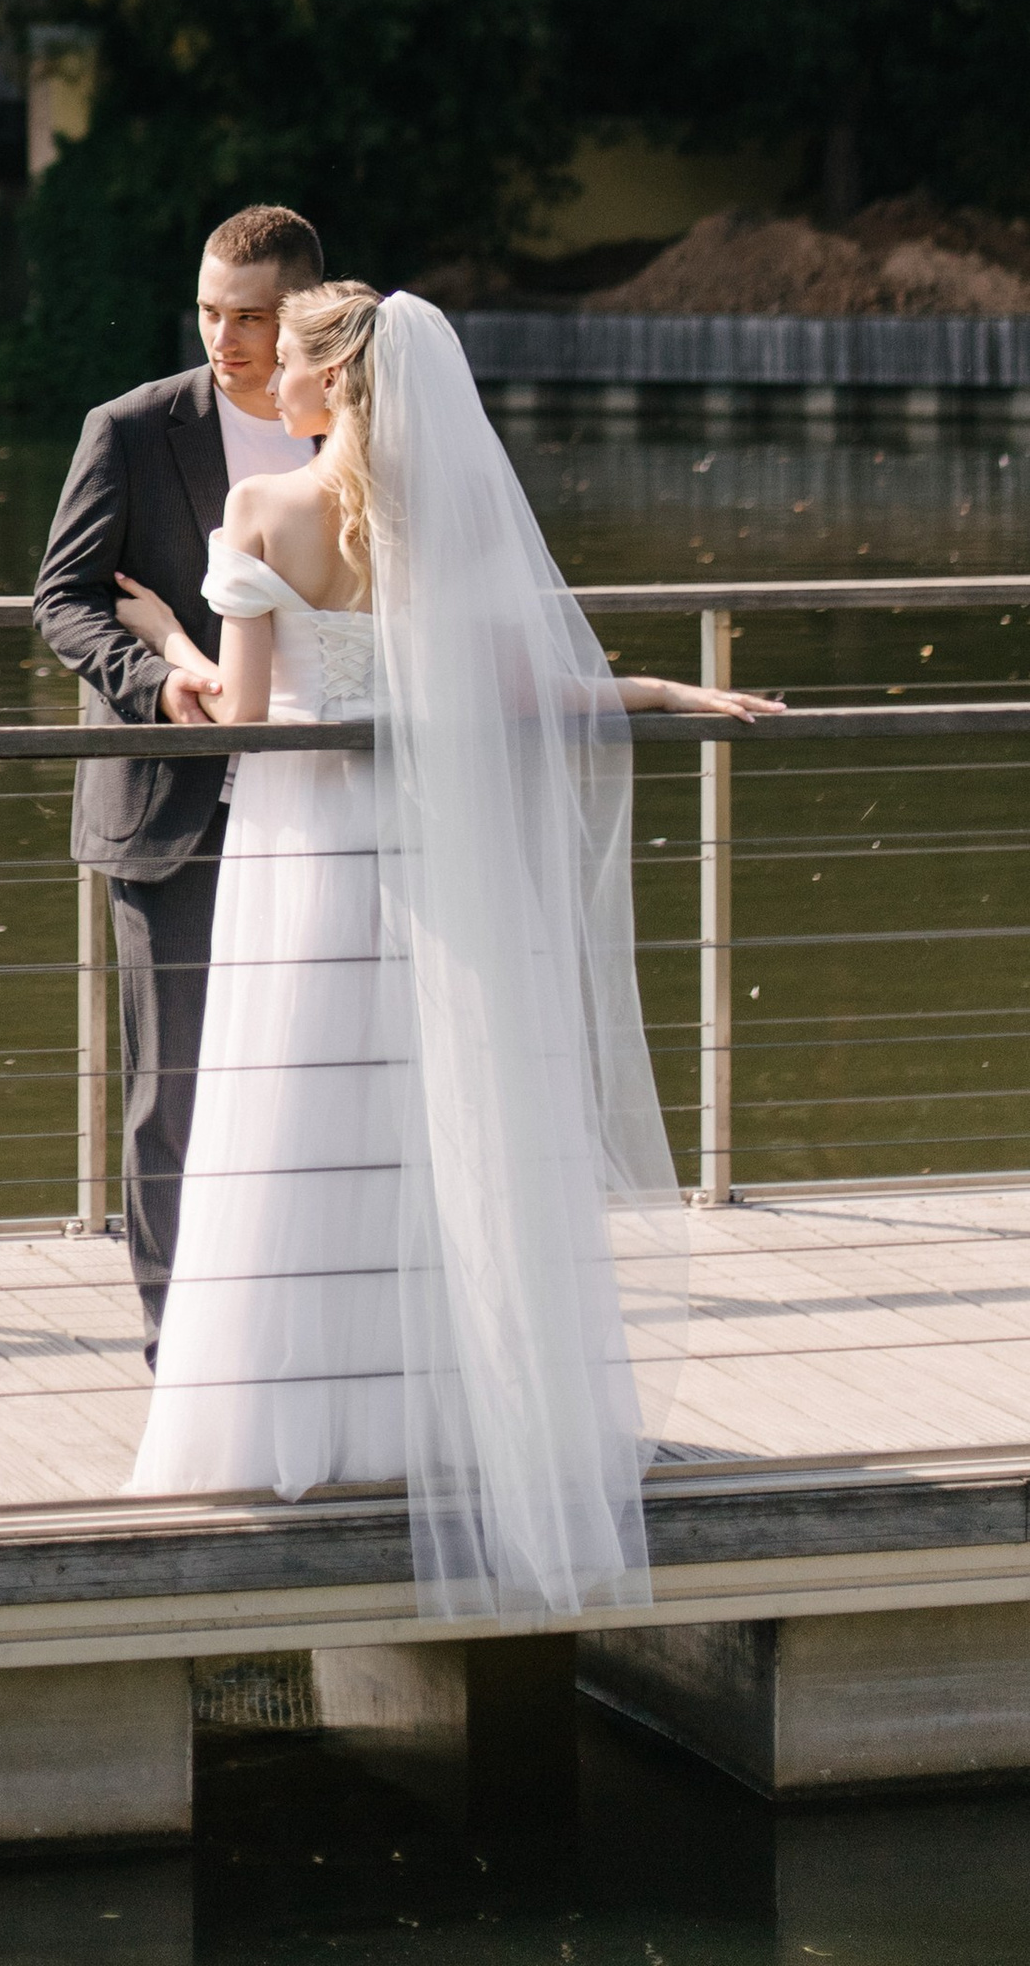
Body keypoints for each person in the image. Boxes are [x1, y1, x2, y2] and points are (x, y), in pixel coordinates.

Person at [114, 281, 781, 1619]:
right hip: (430, 861)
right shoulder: (448, 523)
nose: (269, 384)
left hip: (306, 862)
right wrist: (656, 690)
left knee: (297, 1117)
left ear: (326, 381)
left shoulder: (265, 514)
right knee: (431, 1121)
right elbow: (520, 691)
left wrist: (166, 641)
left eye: (287, 364)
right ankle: (454, 1420)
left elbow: (246, 722)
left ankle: (292, 1431)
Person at [32, 203, 328, 1356]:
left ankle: (295, 1331)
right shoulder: (132, 427)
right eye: (207, 310)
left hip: (324, 801)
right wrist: (154, 679)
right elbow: (62, 599)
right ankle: (180, 1351)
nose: (223, 337)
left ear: (299, 312)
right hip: (169, 807)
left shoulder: (342, 429)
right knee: (175, 1091)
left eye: (248, 317)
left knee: (313, 1071)